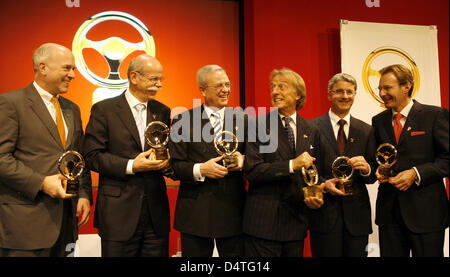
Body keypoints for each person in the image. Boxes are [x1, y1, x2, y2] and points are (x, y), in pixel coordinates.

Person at [0, 43, 92, 257]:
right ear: (43, 68)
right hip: (24, 228)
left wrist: (84, 194)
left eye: (74, 69)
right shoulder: (10, 103)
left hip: (66, 226)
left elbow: (79, 158)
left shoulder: (72, 108)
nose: (72, 75)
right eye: (67, 68)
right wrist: (41, 182)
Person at [83, 54, 171, 257]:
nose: (159, 85)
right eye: (154, 79)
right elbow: (92, 156)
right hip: (118, 214)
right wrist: (132, 165)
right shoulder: (104, 109)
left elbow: (165, 150)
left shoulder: (162, 111)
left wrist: (167, 160)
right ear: (134, 77)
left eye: (161, 80)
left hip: (155, 215)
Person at [169, 65, 247, 257]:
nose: (226, 90)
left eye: (228, 84)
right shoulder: (182, 120)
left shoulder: (245, 120)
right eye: (219, 85)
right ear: (202, 90)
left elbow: (257, 160)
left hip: (234, 213)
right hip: (195, 215)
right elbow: (173, 166)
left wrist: (244, 160)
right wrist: (200, 169)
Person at [243, 68, 323, 257]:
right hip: (263, 225)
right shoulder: (258, 125)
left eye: (281, 87)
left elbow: (316, 172)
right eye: (272, 87)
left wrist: (317, 192)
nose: (275, 92)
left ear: (298, 94)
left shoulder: (312, 129)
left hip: (296, 223)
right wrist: (291, 165)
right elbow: (252, 171)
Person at [373, 64, 449, 257]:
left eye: (387, 88)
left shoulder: (435, 115)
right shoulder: (378, 121)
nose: (382, 93)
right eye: (380, 88)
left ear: (406, 86)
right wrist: (373, 169)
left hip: (426, 214)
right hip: (389, 215)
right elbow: (378, 159)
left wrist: (416, 173)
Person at [309, 73, 376, 257]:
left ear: (355, 95)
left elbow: (373, 176)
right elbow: (307, 171)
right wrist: (324, 184)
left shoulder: (366, 130)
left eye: (350, 92)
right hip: (324, 217)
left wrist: (367, 168)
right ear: (329, 95)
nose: (345, 96)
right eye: (339, 91)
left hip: (357, 219)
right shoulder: (312, 128)